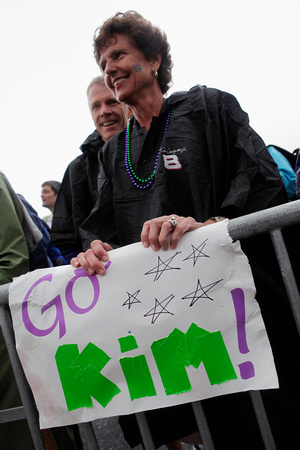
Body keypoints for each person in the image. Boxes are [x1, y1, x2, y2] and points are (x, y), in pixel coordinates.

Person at [71, 11, 300, 450]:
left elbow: (260, 177)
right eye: (103, 62)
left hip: (240, 309)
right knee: (216, 427)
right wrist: (93, 249)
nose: (110, 68)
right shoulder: (111, 154)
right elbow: (96, 226)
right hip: (176, 326)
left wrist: (211, 225)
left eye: (119, 54)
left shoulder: (210, 107)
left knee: (271, 421)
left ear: (153, 58)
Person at [0, 172, 80, 449]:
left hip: (16, 333)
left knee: (35, 427)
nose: (43, 195)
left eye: (48, 191)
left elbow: (14, 259)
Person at [51, 76, 130, 263]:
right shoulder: (76, 170)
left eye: (112, 102)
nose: (104, 111)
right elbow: (65, 236)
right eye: (96, 106)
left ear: (129, 107)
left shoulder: (155, 151)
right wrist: (82, 262)